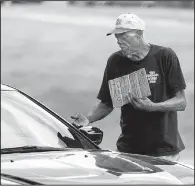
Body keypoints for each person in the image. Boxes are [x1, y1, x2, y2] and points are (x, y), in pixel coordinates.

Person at [71, 13, 187, 161]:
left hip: (164, 151)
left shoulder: (164, 56)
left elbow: (181, 102)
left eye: (123, 35)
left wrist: (152, 107)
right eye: (117, 36)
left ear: (139, 34)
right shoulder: (115, 61)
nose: (119, 40)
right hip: (128, 150)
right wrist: (88, 119)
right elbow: (107, 102)